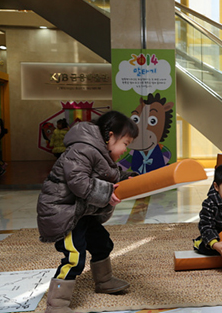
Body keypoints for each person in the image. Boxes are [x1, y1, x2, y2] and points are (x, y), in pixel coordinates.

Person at [37, 111, 139, 313]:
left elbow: (113, 174)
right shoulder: (82, 149)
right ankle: (56, 304)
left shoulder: (101, 153)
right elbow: (78, 181)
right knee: (74, 255)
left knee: (102, 243)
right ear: (110, 136)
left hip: (82, 212)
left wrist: (128, 178)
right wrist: (106, 192)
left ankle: (104, 280)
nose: (126, 150)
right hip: (63, 212)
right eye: (125, 143)